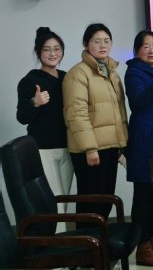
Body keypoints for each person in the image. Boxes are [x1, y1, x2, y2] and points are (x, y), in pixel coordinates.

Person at [63, 23, 128, 228]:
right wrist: (90, 148)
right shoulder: (77, 74)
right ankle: (86, 245)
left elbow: (119, 110)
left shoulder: (111, 71)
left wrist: (121, 143)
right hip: (90, 150)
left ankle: (100, 244)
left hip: (110, 146)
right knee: (91, 203)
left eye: (107, 41)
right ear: (86, 44)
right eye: (97, 41)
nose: (103, 45)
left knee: (106, 200)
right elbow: (77, 114)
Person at [16, 27, 73, 228]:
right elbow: (21, 117)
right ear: (39, 52)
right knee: (53, 202)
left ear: (62, 51)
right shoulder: (29, 80)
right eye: (47, 49)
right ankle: (58, 246)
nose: (52, 53)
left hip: (68, 147)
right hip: (42, 149)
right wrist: (35, 102)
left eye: (57, 49)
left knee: (63, 200)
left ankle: (60, 242)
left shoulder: (67, 77)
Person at [124, 30, 153, 266]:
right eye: (146, 46)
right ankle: (142, 248)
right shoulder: (134, 72)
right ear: (136, 51)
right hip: (145, 142)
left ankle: (151, 242)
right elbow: (138, 104)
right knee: (143, 197)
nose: (152, 50)